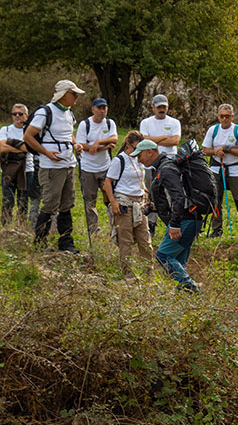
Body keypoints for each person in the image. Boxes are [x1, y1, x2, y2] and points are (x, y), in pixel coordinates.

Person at [23, 79, 85, 253]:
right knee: (50, 204)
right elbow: (28, 136)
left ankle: (66, 243)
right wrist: (46, 152)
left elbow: (68, 133)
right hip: (51, 166)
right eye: (74, 94)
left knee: (67, 204)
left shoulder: (68, 112)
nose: (76, 98)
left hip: (68, 164)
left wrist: (75, 144)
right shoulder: (46, 112)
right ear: (64, 94)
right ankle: (40, 244)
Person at [142, 138, 201, 293]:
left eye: (140, 155)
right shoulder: (167, 165)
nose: (138, 159)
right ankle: (186, 298)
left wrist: (174, 224)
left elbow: (179, 198)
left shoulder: (166, 169)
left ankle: (193, 290)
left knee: (163, 256)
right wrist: (154, 206)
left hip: (185, 220)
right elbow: (174, 196)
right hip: (192, 218)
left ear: (150, 152)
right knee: (179, 262)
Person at [103, 130, 153, 278]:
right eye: (135, 147)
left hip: (139, 203)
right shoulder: (119, 160)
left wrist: (144, 190)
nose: (138, 151)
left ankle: (149, 273)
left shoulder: (139, 160)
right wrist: (113, 202)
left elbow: (139, 178)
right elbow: (108, 182)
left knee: (145, 240)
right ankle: (127, 273)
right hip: (124, 201)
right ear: (128, 144)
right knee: (126, 240)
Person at [202, 103, 238, 241]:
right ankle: (216, 229)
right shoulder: (213, 130)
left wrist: (227, 149)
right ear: (218, 117)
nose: (224, 119)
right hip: (216, 168)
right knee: (215, 199)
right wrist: (215, 151)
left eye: (227, 116)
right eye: (222, 116)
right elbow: (205, 150)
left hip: (234, 168)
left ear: (232, 117)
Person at [74, 97, 118, 237]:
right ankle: (94, 232)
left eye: (104, 108)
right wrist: (103, 147)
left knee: (112, 199)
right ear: (93, 109)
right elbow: (82, 146)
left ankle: (115, 230)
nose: (102, 111)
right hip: (88, 168)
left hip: (106, 167)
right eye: (99, 108)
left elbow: (115, 139)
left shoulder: (110, 123)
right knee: (90, 202)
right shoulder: (85, 124)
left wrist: (97, 142)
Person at [0, 103, 30, 224]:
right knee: (7, 201)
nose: (17, 116)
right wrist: (19, 149)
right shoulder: (5, 129)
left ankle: (21, 227)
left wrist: (10, 143)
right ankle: (5, 227)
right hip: (7, 170)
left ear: (26, 116)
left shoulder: (29, 131)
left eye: (20, 114)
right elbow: (1, 147)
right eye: (14, 114)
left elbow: (29, 148)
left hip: (27, 170)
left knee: (23, 202)